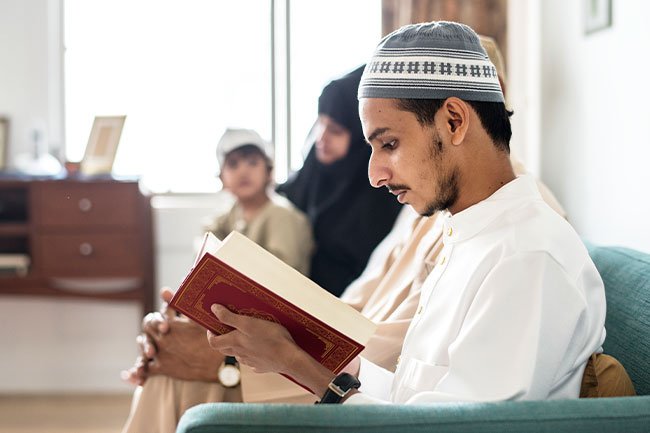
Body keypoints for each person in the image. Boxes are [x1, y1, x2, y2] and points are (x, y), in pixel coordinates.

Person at [206, 21, 608, 404]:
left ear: (454, 121)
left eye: (390, 144)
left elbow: (452, 427)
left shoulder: (526, 257)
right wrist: (293, 353)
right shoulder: (465, 234)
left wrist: (301, 367)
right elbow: (410, 396)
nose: (375, 175)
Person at [277, 66, 403, 296]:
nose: (321, 138)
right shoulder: (315, 167)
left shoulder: (380, 192)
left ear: (361, 138)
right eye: (320, 124)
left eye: (335, 130)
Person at [206, 128, 313, 275]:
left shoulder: (282, 216)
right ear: (222, 178)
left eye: (253, 162)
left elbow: (280, 276)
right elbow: (208, 242)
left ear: (269, 171)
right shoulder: (230, 214)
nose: (243, 171)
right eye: (233, 164)